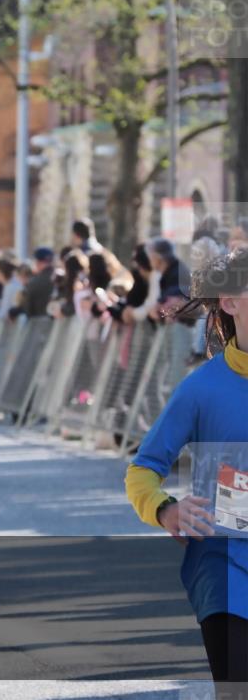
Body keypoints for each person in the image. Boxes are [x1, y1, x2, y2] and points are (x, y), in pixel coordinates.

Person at [125, 246, 248, 695]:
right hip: (224, 563)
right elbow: (143, 469)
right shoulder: (201, 389)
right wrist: (166, 510)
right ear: (229, 302)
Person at [8, 247, 56, 319]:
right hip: (57, 323)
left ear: (38, 262)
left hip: (38, 323)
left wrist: (14, 311)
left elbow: (28, 308)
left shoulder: (34, 282)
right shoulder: (59, 278)